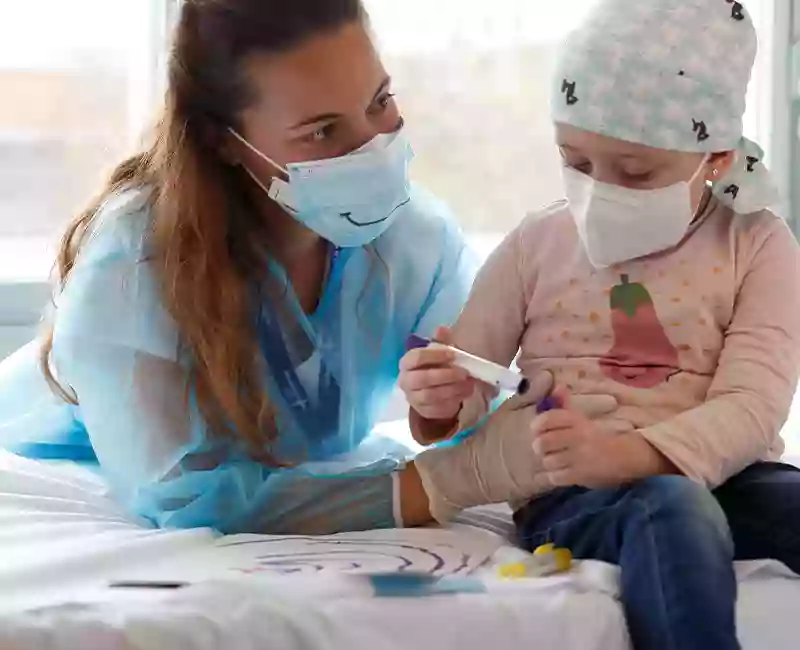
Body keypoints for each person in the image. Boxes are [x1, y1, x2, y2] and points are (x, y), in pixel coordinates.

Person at [0, 0, 618, 535]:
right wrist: (429, 489)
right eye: (322, 131)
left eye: (380, 101)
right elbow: (183, 494)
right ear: (222, 139)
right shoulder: (133, 270)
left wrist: (444, 408)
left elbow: (452, 405)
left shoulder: (413, 241)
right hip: (68, 444)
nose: (373, 146)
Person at [400, 1, 800, 649]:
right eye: (576, 163)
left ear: (716, 158)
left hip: (727, 477)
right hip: (574, 492)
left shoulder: (759, 244)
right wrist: (437, 403)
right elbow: (468, 386)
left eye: (635, 172)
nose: (599, 190)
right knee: (672, 506)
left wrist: (631, 453)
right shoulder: (536, 243)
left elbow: (752, 407)